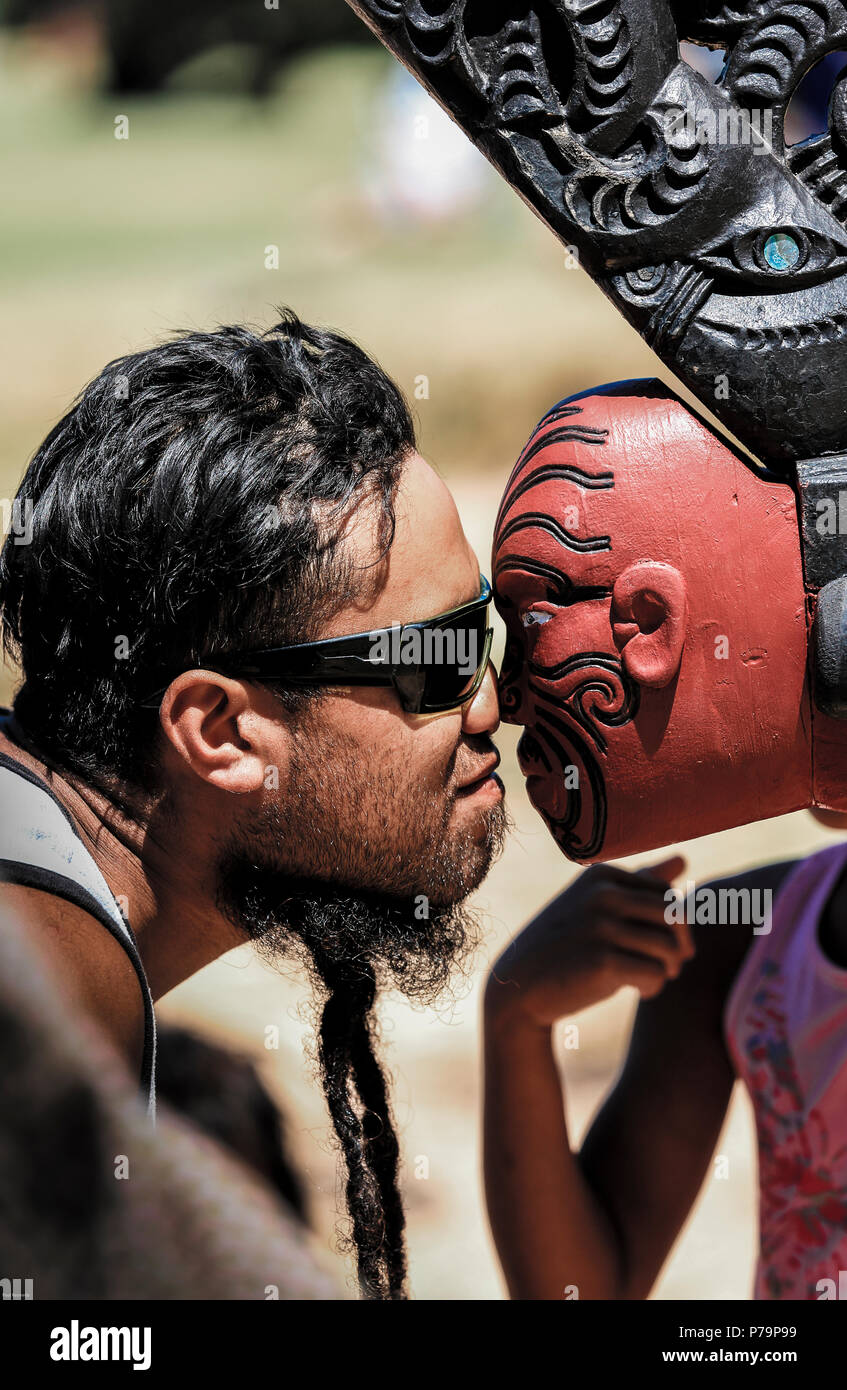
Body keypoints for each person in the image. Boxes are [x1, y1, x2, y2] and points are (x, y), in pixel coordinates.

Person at [0, 309, 506, 1300]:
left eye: (479, 631)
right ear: (220, 732)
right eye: (436, 660)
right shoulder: (51, 979)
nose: (489, 701)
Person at [483, 383, 847, 1300]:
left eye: (529, 623)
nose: (503, 699)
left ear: (650, 624)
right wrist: (516, 1021)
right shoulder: (740, 946)